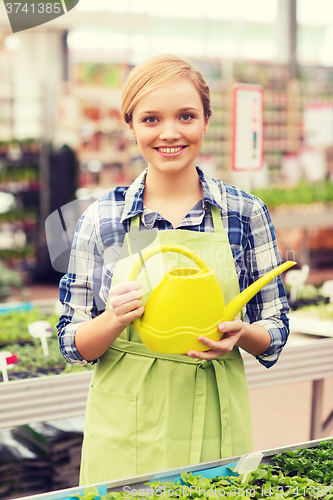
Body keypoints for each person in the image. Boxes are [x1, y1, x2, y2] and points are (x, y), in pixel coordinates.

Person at [57, 54, 290, 486]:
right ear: (131, 127)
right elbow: (72, 343)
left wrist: (244, 333)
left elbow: (275, 326)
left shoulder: (243, 213)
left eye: (186, 115)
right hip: (126, 423)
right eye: (150, 119)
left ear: (205, 121)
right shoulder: (103, 219)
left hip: (215, 418)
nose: (169, 133)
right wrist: (113, 319)